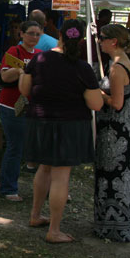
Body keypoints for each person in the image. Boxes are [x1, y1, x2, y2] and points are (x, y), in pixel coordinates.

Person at [19, 19, 103, 244]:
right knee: (60, 176)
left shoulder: (39, 58)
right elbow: (96, 104)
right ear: (82, 40)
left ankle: (35, 216)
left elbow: (25, 89)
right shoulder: (82, 67)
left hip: (41, 121)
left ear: (60, 36)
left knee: (44, 168)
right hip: (70, 125)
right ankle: (54, 230)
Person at [94, 23, 130, 242]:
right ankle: (109, 224)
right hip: (119, 127)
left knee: (113, 178)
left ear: (114, 41)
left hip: (115, 130)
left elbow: (117, 103)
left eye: (102, 37)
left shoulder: (117, 68)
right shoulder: (119, 62)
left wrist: (99, 93)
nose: (99, 41)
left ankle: (112, 227)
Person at [0, 21, 42, 201]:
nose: (34, 38)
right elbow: (4, 76)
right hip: (11, 105)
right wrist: (20, 71)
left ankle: (44, 187)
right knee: (15, 147)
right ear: (21, 34)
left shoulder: (40, 55)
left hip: (33, 106)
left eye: (37, 34)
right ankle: (8, 188)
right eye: (30, 33)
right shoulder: (13, 52)